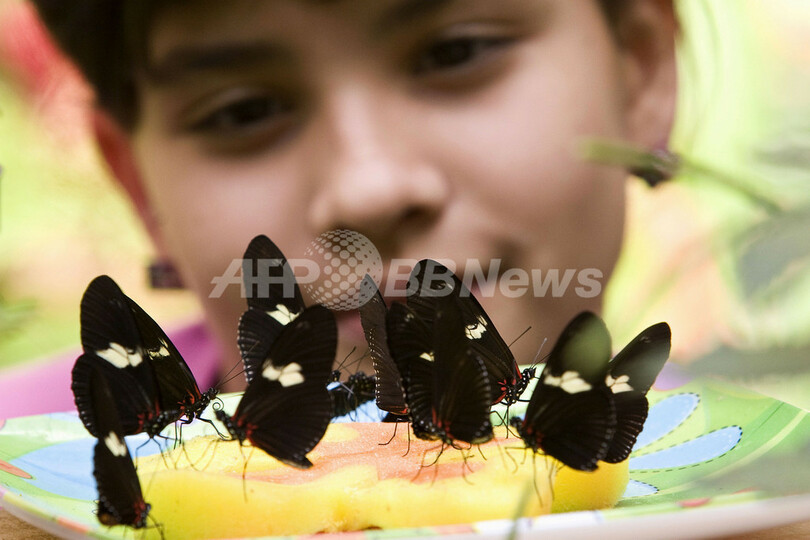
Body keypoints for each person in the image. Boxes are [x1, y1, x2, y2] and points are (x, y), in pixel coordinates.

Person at [6, 0, 678, 413]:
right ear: (140, 187)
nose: (369, 188)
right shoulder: (20, 476)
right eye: (244, 112)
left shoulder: (738, 481)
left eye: (455, 52)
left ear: (639, 71)